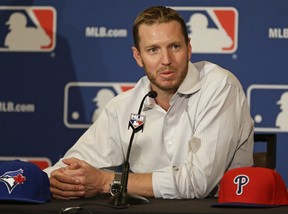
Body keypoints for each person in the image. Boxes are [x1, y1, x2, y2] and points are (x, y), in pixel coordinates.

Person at [44, 6, 254, 200]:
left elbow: (198, 183)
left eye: (174, 46)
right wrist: (60, 178)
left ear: (189, 48)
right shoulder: (125, 105)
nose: (166, 60)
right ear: (138, 56)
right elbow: (72, 164)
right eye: (153, 50)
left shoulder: (219, 87)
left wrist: (106, 181)